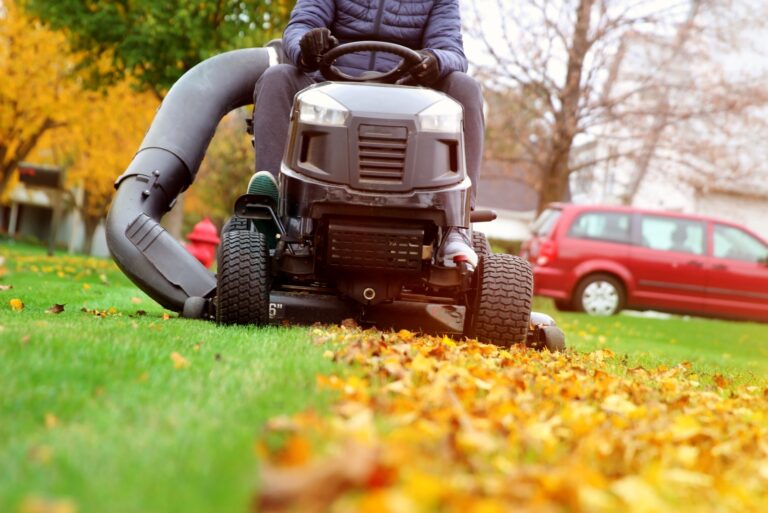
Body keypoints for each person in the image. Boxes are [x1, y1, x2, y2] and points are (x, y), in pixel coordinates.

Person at [250, 0, 485, 268]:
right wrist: (307, 46)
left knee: (465, 88)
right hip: (329, 87)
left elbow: (451, 50)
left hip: (406, 92)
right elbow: (301, 25)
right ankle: (274, 216)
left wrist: (436, 60)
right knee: (277, 77)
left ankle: (457, 228)